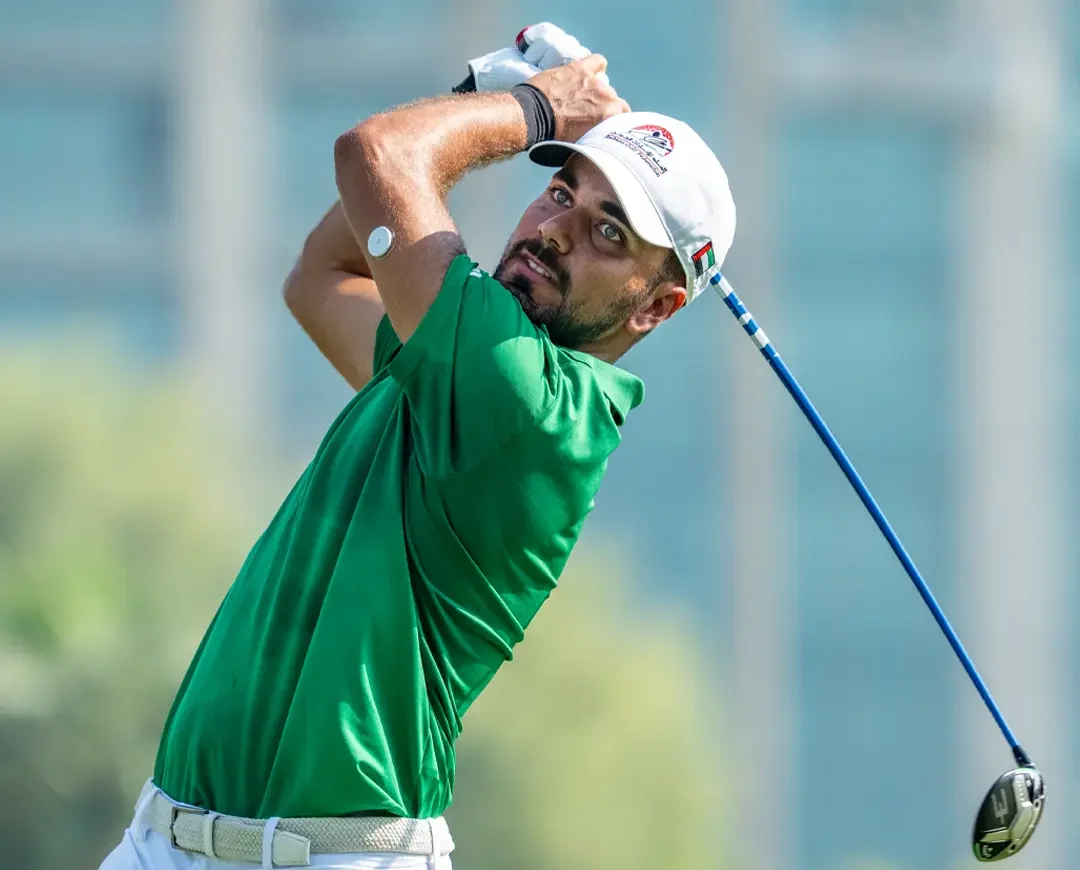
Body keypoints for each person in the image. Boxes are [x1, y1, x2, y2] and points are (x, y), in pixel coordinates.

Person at [100, 22, 736, 870]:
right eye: (560, 195)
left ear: (654, 308)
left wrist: (532, 108)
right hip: (165, 838)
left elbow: (375, 156)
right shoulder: (456, 368)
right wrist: (481, 106)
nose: (555, 231)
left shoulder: (525, 403)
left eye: (609, 234)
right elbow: (323, 277)